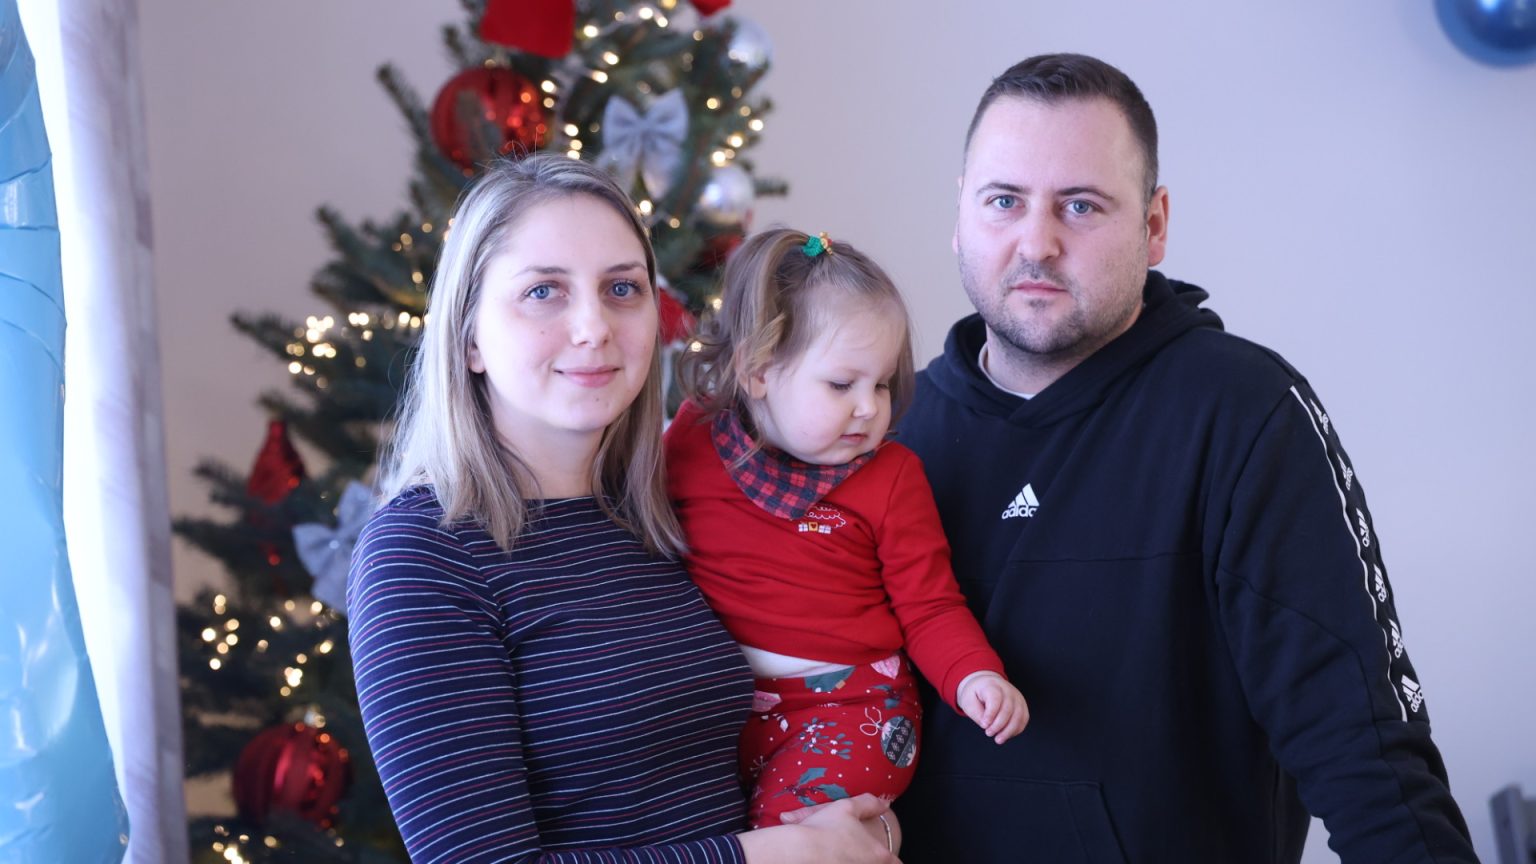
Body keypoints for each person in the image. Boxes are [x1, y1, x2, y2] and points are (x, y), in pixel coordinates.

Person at [891, 53, 1479, 863]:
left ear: (1155, 224)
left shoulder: (1244, 412)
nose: (1037, 242)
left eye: (1081, 205)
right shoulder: (886, 435)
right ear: (961, 216)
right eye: (1004, 201)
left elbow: (1364, 746)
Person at [347, 155, 898, 864]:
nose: (594, 326)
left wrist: (866, 830)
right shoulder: (422, 553)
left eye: (621, 288)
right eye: (543, 291)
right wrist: (773, 856)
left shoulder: (662, 512)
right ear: (471, 337)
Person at [665, 228, 1029, 829]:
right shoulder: (694, 441)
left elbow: (930, 605)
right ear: (757, 371)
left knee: (792, 841)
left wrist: (973, 675)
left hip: (853, 710)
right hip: (721, 711)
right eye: (841, 384)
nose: (869, 408)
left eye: (880, 384)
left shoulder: (891, 476)